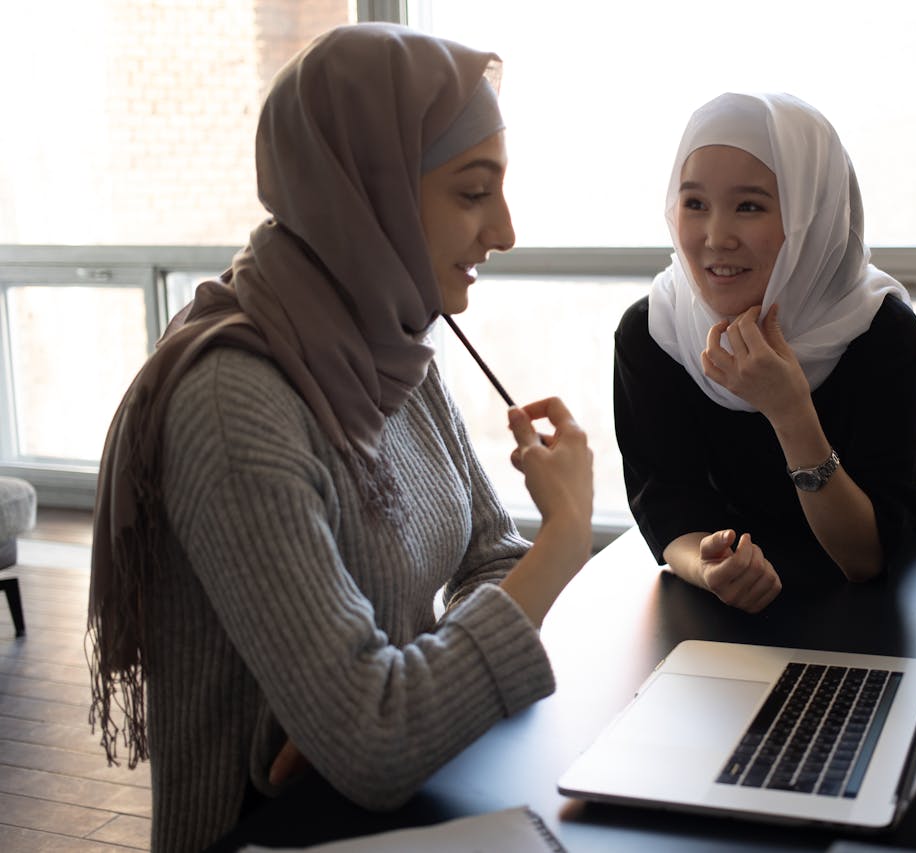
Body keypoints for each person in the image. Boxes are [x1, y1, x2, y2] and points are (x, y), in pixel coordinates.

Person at [86, 24, 593, 852]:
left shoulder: (391, 346)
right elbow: (377, 740)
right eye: (473, 193)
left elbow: (491, 557)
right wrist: (565, 538)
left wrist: (397, 693)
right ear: (369, 192)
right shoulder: (231, 401)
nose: (504, 231)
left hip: (404, 810)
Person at [614, 92, 916, 614]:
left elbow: (866, 559)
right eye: (695, 203)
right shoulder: (653, 334)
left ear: (812, 215)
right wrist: (710, 567)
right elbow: (668, 507)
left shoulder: (878, 331)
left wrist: (788, 409)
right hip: (742, 617)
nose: (716, 237)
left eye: (749, 206)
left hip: (904, 598)